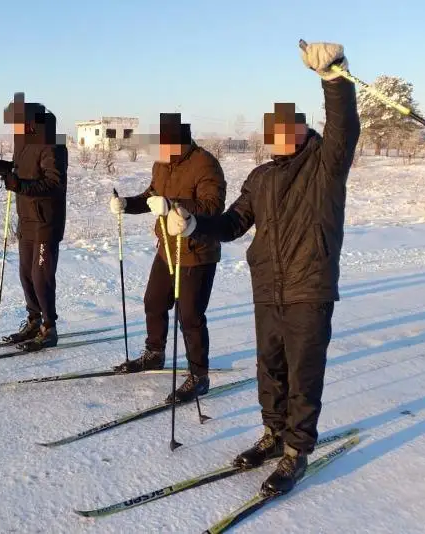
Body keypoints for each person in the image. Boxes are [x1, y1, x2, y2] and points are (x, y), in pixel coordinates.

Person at [166, 41, 360, 495]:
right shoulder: (261, 177)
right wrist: (193, 222)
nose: (268, 140)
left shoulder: (324, 164)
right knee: (269, 368)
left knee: (302, 372)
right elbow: (233, 223)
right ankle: (273, 436)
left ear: (299, 130)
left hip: (309, 287)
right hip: (267, 287)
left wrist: (333, 77)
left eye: (277, 131)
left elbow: (345, 127)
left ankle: (297, 451)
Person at [109, 112, 226, 403]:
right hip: (167, 246)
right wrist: (126, 204)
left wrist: (173, 204)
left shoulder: (205, 163)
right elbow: (152, 197)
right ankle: (155, 354)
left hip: (197, 251)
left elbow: (212, 206)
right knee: (153, 301)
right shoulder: (162, 163)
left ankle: (199, 375)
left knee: (189, 316)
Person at [0, 92, 69, 352]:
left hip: (46, 222)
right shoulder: (24, 141)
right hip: (26, 219)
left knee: (41, 277)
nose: (13, 129)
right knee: (26, 275)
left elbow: (54, 183)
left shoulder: (53, 143)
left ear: (30, 122)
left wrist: (20, 186)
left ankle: (49, 328)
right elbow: (16, 171)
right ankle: (33, 321)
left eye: (17, 123)